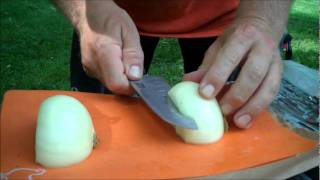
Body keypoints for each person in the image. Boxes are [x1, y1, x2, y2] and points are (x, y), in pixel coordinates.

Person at [53, 0, 292, 129]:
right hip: (107, 17)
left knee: (239, 113)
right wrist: (82, 10)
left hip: (236, 24)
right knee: (98, 124)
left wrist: (262, 19)